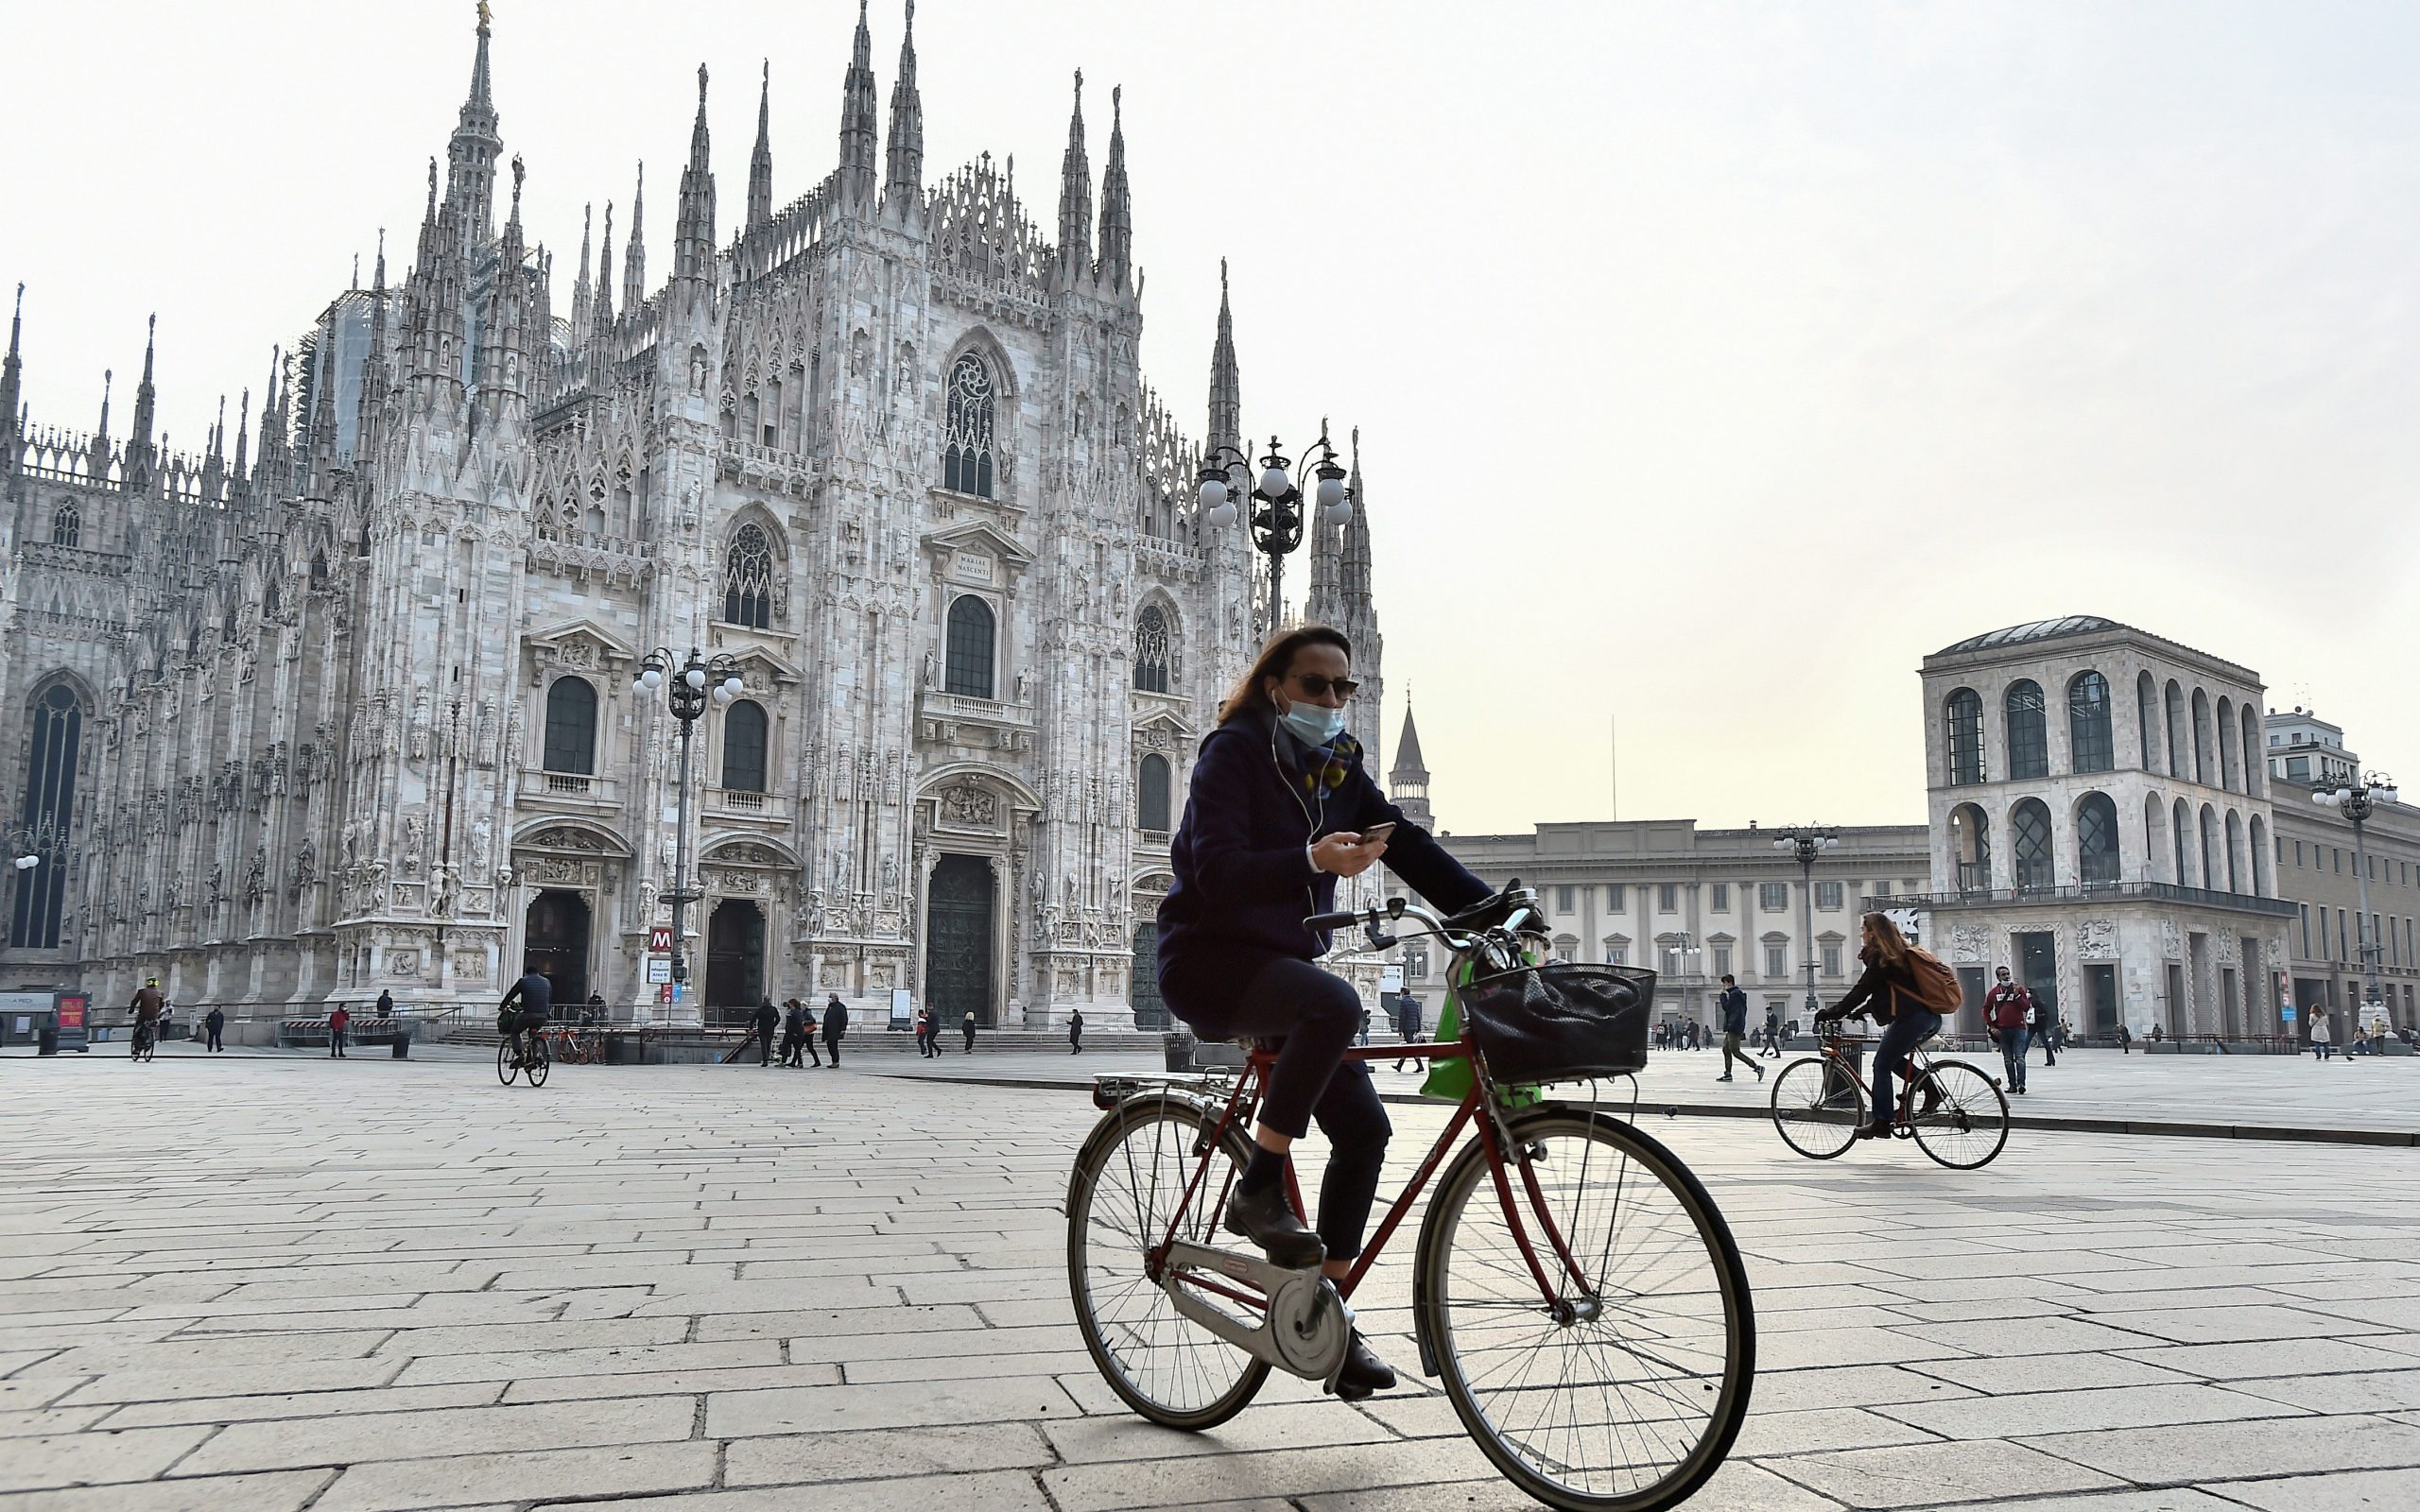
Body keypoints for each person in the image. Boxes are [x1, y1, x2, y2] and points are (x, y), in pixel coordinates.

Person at [1156, 623, 1493, 1401]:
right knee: (1334, 1002)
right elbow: (1218, 871)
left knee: (1368, 1128)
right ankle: (1259, 1185)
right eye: (1317, 685)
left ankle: (1324, 1319)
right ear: (1276, 687)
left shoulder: (1338, 767)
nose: (1333, 699)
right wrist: (1310, 860)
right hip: (1207, 961)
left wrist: (1495, 908)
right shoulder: (1233, 752)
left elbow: (1402, 841)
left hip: (1280, 968)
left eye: (1344, 687)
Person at [1814, 913, 1942, 1139]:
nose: (1861, 933)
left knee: (1881, 1064)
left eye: (1863, 929)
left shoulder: (1881, 958)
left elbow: (1861, 991)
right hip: (1927, 1017)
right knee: (1890, 1060)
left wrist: (1831, 1013)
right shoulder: (1896, 955)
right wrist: (1860, 1012)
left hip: (1913, 1019)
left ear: (1873, 933)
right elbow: (1888, 993)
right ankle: (1931, 1090)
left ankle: (1882, 1122)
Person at [1984, 966, 2033, 1095]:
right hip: (2002, 1030)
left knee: (2020, 1057)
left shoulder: (2018, 989)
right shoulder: (1994, 992)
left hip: (2018, 1028)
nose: (2007, 976)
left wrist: (2018, 996)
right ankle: (2012, 1085)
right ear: (1998, 977)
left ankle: (2021, 1083)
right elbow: (1986, 1010)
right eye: (2003, 974)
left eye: (2008, 974)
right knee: (2008, 1059)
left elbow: (2026, 1007)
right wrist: (1992, 1026)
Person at [499, 969, 552, 1069]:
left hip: (528, 1015)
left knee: (515, 1031)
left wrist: (503, 1006)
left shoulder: (523, 981)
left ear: (526, 973)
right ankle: (533, 1058)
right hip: (543, 1015)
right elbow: (549, 997)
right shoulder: (546, 981)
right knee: (533, 1034)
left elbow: (511, 995)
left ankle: (520, 1055)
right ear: (538, 973)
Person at [1716, 975, 1763, 1083]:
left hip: (1734, 1025)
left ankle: (1756, 1067)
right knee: (1726, 1049)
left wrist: (1722, 996)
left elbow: (1726, 1007)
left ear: (1729, 983)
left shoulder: (1735, 995)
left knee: (1735, 1051)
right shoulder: (1737, 994)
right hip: (1733, 1024)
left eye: (1724, 983)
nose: (1723, 986)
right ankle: (1728, 1074)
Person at [130, 978, 165, 1059]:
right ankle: (150, 1040)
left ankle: (137, 1048)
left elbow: (134, 1001)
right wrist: (158, 1012)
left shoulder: (142, 991)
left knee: (137, 1030)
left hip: (143, 1014)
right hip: (154, 1015)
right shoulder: (160, 993)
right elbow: (162, 1004)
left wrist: (131, 1010)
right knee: (152, 1025)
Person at [1392, 991, 1425, 1073]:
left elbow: (1402, 1016)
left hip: (1407, 1027)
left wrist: (1400, 1029)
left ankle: (1420, 1066)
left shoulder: (1403, 1002)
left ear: (1402, 993)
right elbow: (1418, 1015)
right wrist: (1418, 1027)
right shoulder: (1414, 1002)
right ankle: (1399, 1066)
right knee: (1409, 1046)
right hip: (1414, 1026)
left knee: (1411, 1047)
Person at [780, 999, 811, 1068]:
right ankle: (784, 1061)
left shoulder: (797, 1012)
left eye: (790, 1004)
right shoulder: (791, 1011)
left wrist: (796, 1032)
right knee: (785, 1046)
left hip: (795, 1033)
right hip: (789, 1032)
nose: (789, 1005)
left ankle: (799, 1062)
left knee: (797, 1048)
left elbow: (798, 1023)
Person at [2032, 991, 2059, 1069]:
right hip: (2035, 1026)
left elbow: (2045, 1015)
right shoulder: (2033, 1002)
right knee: (2027, 1042)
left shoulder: (2037, 1004)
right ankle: (2051, 1060)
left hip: (2038, 1026)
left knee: (2045, 1043)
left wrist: (2036, 1015)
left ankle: (2051, 1060)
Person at [821, 993, 847, 1066]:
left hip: (835, 1030)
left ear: (835, 998)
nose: (829, 998)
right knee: (830, 1045)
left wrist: (843, 1028)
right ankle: (834, 1060)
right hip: (828, 1029)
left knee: (833, 1045)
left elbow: (844, 1018)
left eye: (830, 997)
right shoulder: (830, 1006)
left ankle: (836, 1061)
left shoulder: (840, 1007)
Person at [753, 998, 780, 1067]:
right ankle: (767, 1057)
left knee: (763, 1044)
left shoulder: (760, 1010)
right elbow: (778, 1018)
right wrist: (774, 1025)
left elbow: (754, 1018)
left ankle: (765, 1060)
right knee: (768, 1044)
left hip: (762, 1029)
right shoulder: (773, 1009)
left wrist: (750, 1026)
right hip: (770, 1029)